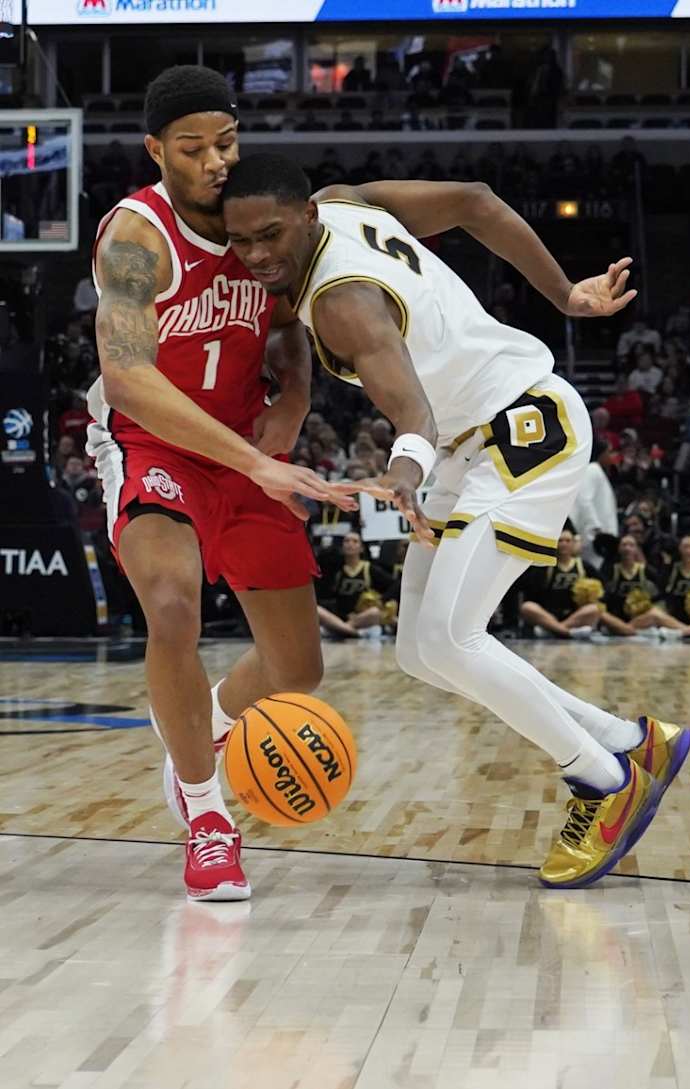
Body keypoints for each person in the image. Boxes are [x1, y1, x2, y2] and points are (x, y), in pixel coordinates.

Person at [222, 155, 690, 890]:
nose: (255, 255)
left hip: (521, 430)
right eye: (240, 239)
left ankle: (603, 781)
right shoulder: (344, 201)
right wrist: (565, 294)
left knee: (451, 637)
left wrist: (403, 476)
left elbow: (413, 412)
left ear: (306, 216)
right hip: (468, 447)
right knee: (419, 649)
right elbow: (474, 200)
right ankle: (629, 740)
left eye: (269, 236)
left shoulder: (343, 300)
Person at [86, 67, 356, 903]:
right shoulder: (138, 235)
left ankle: (197, 729)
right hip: (152, 443)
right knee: (172, 605)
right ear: (156, 149)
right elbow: (127, 376)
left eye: (226, 143)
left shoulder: (254, 222)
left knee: (296, 668)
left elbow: (287, 328)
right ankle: (207, 816)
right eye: (192, 148)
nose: (214, 162)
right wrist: (256, 461)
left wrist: (295, 399)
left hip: (246, 443)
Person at [519, 527, 603, 639]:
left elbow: (602, 587)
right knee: (527, 607)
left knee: (594, 609)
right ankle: (568, 633)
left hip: (574, 615)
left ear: (574, 544)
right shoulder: (546, 565)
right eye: (560, 540)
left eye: (568, 541)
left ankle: (552, 630)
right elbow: (532, 591)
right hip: (548, 614)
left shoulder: (583, 566)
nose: (564, 544)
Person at [316, 531, 397, 639]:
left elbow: (395, 584)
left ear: (361, 548)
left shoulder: (369, 568)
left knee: (375, 612)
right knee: (316, 609)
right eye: (347, 541)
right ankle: (351, 631)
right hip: (339, 617)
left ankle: (341, 630)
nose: (350, 544)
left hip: (361, 618)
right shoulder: (336, 569)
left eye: (355, 541)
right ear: (342, 546)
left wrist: (382, 599)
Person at [569, 438, 619, 571]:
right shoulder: (592, 469)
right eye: (609, 452)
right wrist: (596, 529)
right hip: (593, 537)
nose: (612, 456)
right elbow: (584, 500)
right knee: (590, 571)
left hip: (600, 535)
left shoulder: (599, 472)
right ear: (601, 454)